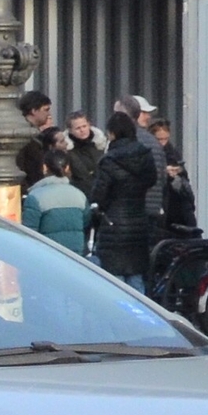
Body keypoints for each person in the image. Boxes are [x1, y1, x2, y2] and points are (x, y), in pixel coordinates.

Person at [82, 112, 157, 288]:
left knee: (116, 281)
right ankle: (140, 313)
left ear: (112, 133)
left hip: (113, 225)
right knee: (136, 276)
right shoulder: (145, 155)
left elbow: (99, 195)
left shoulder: (109, 160)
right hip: (138, 221)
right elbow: (152, 180)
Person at [23, 151, 92, 254]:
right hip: (76, 256)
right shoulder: (79, 195)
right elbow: (86, 222)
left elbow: (29, 231)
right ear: (67, 168)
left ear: (44, 168)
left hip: (47, 254)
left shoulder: (35, 197)